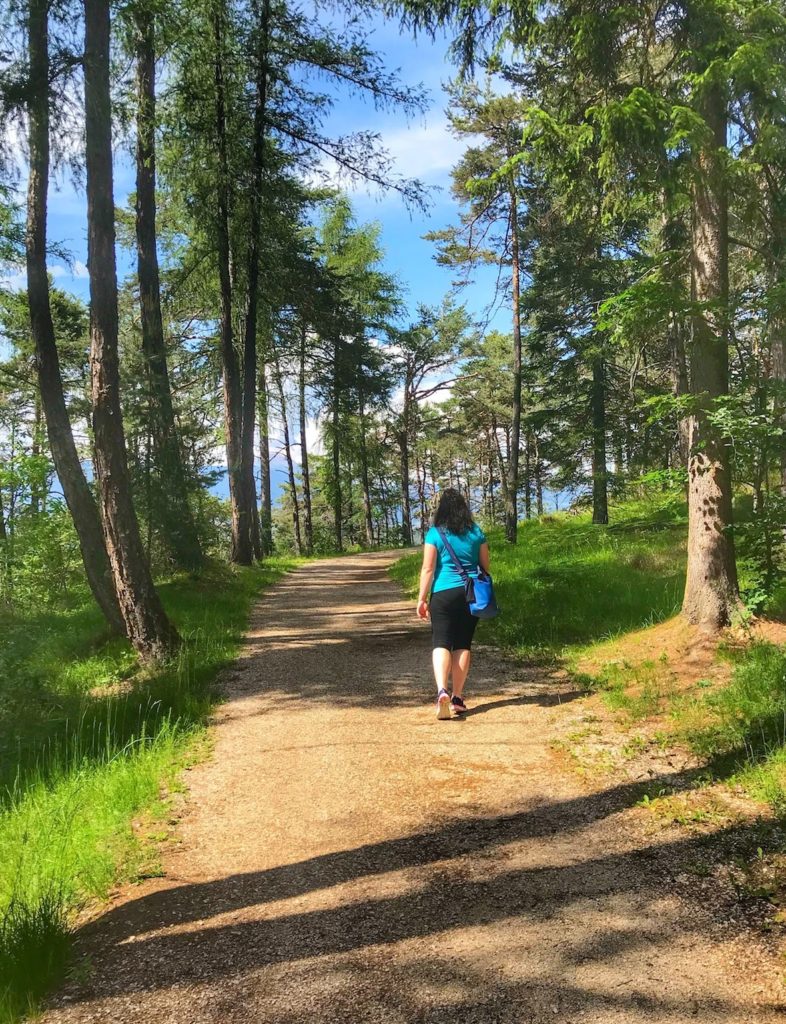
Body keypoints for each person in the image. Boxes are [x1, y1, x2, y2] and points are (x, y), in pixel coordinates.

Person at [417, 488, 490, 719]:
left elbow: (428, 568)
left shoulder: (435, 534)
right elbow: (485, 567)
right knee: (463, 644)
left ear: (442, 510)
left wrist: (421, 598)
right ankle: (457, 696)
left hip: (443, 594)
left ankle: (441, 691)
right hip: (470, 595)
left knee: (441, 642)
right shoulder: (476, 532)